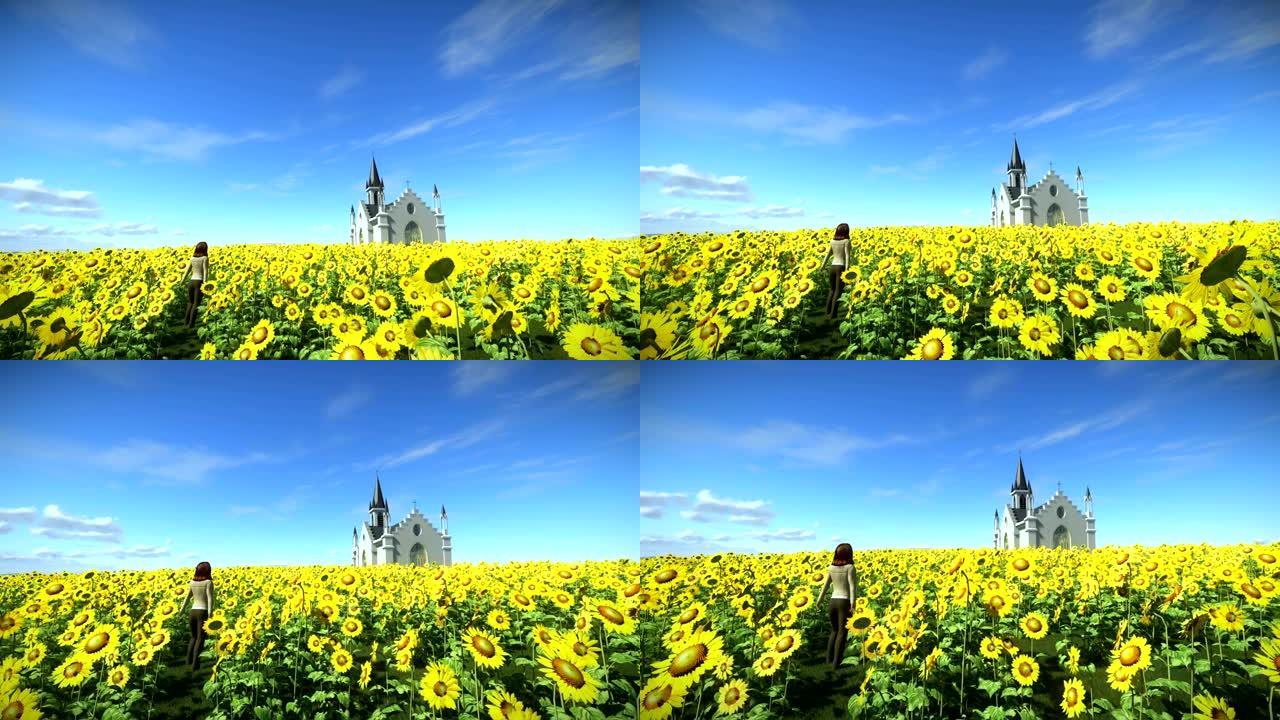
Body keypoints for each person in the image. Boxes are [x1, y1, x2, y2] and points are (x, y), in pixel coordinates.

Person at [817, 542, 858, 669]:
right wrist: (853, 604)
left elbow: (825, 586)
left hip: (833, 601)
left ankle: (828, 659)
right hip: (844, 602)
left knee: (834, 631)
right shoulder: (850, 568)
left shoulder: (831, 567)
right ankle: (836, 663)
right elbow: (852, 587)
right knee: (842, 632)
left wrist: (819, 600)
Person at [179, 561, 215, 671]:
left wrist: (182, 610)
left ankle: (188, 660)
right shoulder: (208, 582)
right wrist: (210, 613)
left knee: (193, 637)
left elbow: (187, 597)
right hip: (202, 612)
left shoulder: (192, 582)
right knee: (200, 638)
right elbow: (209, 598)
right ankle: (195, 663)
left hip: (192, 611)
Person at [821, 224, 852, 319]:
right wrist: (847, 270)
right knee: (838, 291)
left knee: (832, 290)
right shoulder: (846, 241)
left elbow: (828, 254)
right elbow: (847, 256)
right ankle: (833, 314)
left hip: (832, 266)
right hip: (841, 267)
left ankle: (827, 311)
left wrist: (822, 266)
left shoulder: (832, 241)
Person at [182, 242, 209, 328]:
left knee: (190, 302)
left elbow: (187, 271)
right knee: (196, 304)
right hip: (199, 282)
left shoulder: (192, 258)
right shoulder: (205, 258)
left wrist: (182, 281)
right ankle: (191, 324)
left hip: (191, 281)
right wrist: (205, 284)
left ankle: (185, 321)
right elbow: (205, 271)